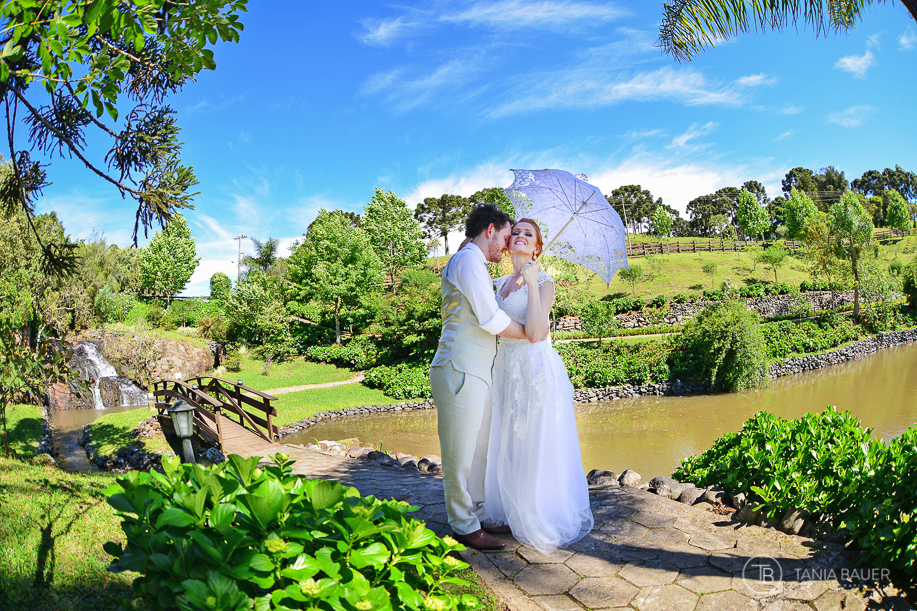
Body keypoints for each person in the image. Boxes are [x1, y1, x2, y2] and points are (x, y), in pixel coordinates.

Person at [484, 219, 594, 555]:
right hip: (504, 368)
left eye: (527, 234)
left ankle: (538, 512)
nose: (519, 236)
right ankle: (509, 509)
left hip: (534, 369)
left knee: (535, 439)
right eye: (515, 232)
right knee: (507, 438)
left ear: (537, 248)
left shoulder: (545, 282)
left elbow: (535, 332)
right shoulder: (497, 283)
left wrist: (531, 283)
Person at [430, 204, 530, 551]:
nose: (506, 246)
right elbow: (490, 320)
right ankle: (463, 526)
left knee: (479, 451)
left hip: (475, 370)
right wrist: (531, 333)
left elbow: (487, 306)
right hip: (459, 368)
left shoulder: (470, 261)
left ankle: (478, 514)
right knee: (460, 453)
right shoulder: (469, 260)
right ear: (490, 230)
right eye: (505, 237)